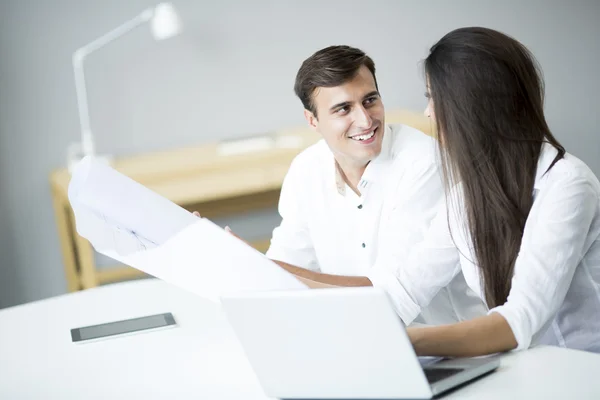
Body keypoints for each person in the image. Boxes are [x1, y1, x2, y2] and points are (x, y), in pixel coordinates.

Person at [383, 27, 600, 355]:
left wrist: (402, 343)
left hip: (580, 369)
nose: (427, 112)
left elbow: (521, 318)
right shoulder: (465, 194)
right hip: (521, 369)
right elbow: (405, 290)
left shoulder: (567, 184)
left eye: (432, 97)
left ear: (473, 103)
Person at [261, 45, 486, 325]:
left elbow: (386, 293)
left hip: (448, 346)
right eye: (343, 109)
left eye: (370, 101)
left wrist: (271, 270)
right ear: (313, 120)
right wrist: (241, 261)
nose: (365, 120)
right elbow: (281, 272)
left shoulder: (424, 163)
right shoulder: (305, 170)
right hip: (361, 334)